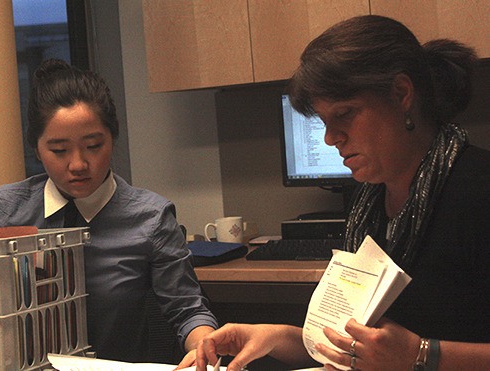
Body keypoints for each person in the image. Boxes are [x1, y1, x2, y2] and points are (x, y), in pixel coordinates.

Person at [196, 15, 490, 371]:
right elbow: (355, 348)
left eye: (345, 114)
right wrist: (273, 336)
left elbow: (400, 353)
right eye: (323, 121)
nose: (330, 138)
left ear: (401, 94)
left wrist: (422, 354)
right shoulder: (369, 205)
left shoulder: (476, 188)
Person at [0, 59, 217, 367]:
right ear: (36, 149)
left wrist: (204, 346)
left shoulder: (151, 218)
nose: (78, 164)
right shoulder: (4, 210)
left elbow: (187, 309)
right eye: (59, 150)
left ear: (112, 139)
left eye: (93, 146)